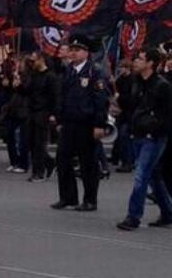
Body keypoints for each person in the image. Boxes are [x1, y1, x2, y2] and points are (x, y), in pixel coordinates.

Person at [51, 35, 109, 212]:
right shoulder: (68, 70)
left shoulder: (95, 71)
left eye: (77, 50)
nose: (73, 53)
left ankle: (90, 200)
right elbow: (61, 97)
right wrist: (59, 119)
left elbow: (101, 100)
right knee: (62, 159)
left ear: (86, 52)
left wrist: (99, 124)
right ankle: (68, 197)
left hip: (86, 123)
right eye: (72, 49)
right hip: (69, 122)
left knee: (88, 163)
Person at [117, 48, 172, 230]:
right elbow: (133, 105)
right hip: (138, 133)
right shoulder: (136, 82)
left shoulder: (162, 86)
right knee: (153, 176)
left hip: (153, 137)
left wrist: (154, 130)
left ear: (150, 63)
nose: (136, 62)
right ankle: (168, 212)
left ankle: (133, 216)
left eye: (140, 59)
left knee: (141, 176)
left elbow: (166, 115)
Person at [20, 51, 59, 182]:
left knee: (39, 143)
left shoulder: (50, 77)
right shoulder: (33, 75)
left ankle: (39, 172)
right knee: (30, 142)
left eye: (34, 60)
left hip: (43, 113)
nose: (32, 63)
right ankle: (49, 163)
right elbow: (27, 91)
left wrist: (53, 114)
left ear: (41, 60)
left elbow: (55, 97)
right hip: (32, 111)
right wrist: (18, 85)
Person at [113, 58, 135, 173]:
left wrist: (119, 97)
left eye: (122, 67)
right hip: (121, 113)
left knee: (124, 136)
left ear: (127, 68)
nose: (120, 69)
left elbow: (131, 99)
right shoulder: (119, 80)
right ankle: (119, 158)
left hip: (129, 113)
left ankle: (127, 162)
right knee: (120, 137)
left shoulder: (133, 81)